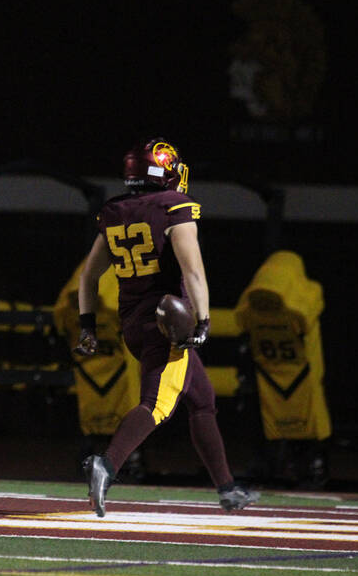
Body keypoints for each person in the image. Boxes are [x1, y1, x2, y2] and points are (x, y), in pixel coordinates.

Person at [75, 137, 259, 515]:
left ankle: (227, 488)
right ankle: (106, 464)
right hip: (167, 321)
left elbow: (89, 277)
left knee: (202, 399)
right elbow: (193, 269)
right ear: (162, 171)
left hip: (132, 322)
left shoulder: (114, 210)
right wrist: (204, 319)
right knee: (157, 406)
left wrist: (87, 325)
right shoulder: (174, 206)